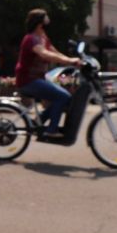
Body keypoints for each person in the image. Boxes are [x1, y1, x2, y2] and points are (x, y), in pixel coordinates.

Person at [15, 9, 81, 139]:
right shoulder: (31, 39)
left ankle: (36, 123)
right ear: (40, 24)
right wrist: (69, 60)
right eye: (46, 20)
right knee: (62, 97)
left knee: (67, 97)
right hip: (28, 80)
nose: (49, 22)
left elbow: (55, 53)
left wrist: (74, 61)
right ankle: (51, 130)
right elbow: (44, 54)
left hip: (37, 79)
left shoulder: (43, 38)